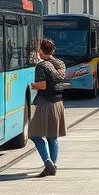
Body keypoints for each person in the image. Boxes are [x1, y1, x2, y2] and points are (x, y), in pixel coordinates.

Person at [28, 38, 67, 177]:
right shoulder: (60, 63)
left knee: (34, 135)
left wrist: (32, 85)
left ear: (41, 51)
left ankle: (48, 163)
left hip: (45, 104)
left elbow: (43, 85)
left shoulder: (41, 66)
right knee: (52, 137)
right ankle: (52, 166)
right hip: (58, 103)